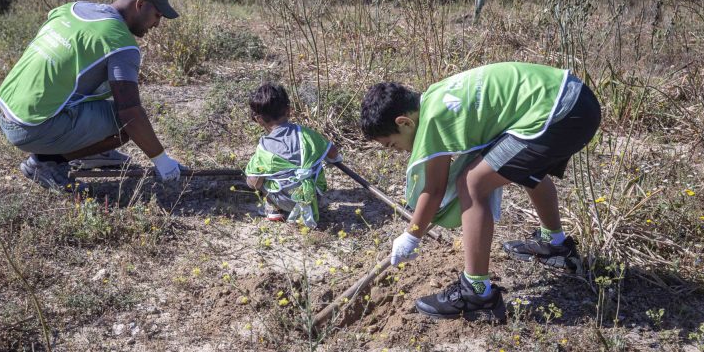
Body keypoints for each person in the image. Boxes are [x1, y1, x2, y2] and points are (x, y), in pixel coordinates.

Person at [360, 62, 601, 321]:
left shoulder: (432, 119)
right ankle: (555, 245)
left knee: (472, 183)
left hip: (559, 113)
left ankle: (476, 293)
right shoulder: (433, 96)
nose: (395, 151)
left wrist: (412, 235)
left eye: (391, 144)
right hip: (574, 98)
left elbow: (435, 188)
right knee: (520, 165)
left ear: (404, 123)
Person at [0, 0, 185, 192]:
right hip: (29, 127)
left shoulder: (71, 9)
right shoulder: (120, 42)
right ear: (140, 4)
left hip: (4, 108)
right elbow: (130, 113)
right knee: (124, 125)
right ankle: (45, 163)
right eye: (157, 15)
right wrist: (162, 161)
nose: (157, 24)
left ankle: (92, 152)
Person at [245, 83, 341, 228]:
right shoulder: (307, 135)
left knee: (254, 177)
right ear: (288, 111)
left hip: (284, 200)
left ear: (259, 120)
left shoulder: (264, 148)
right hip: (312, 196)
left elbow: (254, 182)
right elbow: (333, 152)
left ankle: (274, 208)